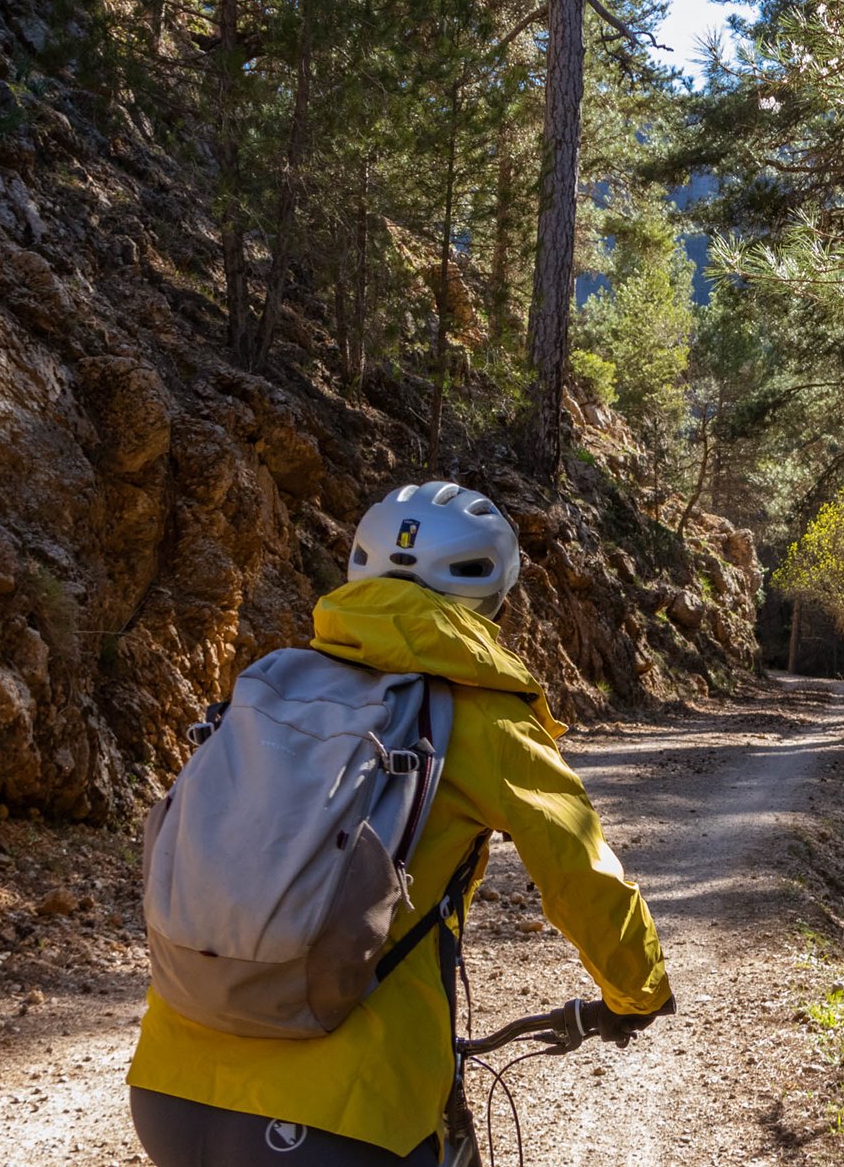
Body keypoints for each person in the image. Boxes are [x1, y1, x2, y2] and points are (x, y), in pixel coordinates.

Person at [127, 481, 673, 1165]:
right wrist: (637, 991)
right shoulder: (484, 716)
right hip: (345, 1120)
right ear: (495, 601)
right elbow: (580, 869)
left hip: (169, 1091)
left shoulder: (274, 684)